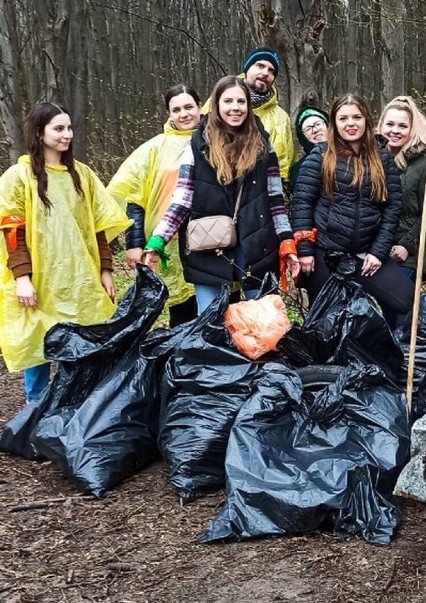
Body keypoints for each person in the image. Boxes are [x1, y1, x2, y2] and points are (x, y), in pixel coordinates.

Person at [0, 102, 132, 403]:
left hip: (79, 279)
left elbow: (97, 225)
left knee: (82, 343)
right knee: (38, 343)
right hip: (40, 279)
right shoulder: (18, 177)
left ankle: (75, 411)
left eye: (69, 128)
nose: (67, 134)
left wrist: (106, 270)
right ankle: (37, 413)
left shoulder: (81, 175)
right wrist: (22, 277)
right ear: (39, 132)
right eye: (59, 128)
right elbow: (12, 230)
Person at [143, 76, 298, 312]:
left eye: (241, 101)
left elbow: (275, 201)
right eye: (228, 101)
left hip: (257, 244)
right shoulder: (197, 145)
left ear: (248, 105)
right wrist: (158, 240)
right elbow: (182, 200)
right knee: (211, 323)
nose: (235, 108)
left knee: (265, 326)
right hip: (208, 246)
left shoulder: (263, 146)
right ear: (216, 105)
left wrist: (287, 240)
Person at [290, 93, 413, 328]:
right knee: (325, 322)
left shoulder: (382, 158)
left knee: (406, 300)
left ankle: (391, 355)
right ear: (334, 123)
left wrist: (378, 252)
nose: (350, 124)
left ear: (366, 120)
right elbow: (302, 204)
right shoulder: (319, 156)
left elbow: (392, 208)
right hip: (325, 253)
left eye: (356, 117)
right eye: (343, 118)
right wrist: (305, 249)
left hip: (365, 255)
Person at [108, 84, 201, 327]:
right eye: (177, 109)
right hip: (166, 243)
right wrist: (134, 242)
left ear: (200, 107)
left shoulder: (216, 139)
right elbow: (134, 197)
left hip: (211, 239)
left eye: (189, 107)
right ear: (169, 114)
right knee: (182, 313)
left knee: (216, 309)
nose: (184, 114)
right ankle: (181, 360)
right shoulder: (153, 149)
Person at [204, 47, 296, 184]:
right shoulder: (219, 101)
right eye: (260, 66)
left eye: (271, 71)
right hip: (217, 183)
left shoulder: (281, 118)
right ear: (247, 68)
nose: (265, 73)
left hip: (262, 189)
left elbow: (286, 161)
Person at [378, 95, 426, 281]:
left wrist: (406, 245)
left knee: (398, 307)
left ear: (412, 129)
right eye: (390, 124)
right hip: (375, 252)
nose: (394, 131)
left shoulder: (424, 167)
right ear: (381, 126)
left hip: (407, 257)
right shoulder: (371, 162)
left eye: (402, 126)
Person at [289, 107, 329, 187]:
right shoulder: (300, 169)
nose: (315, 130)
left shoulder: (349, 155)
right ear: (303, 136)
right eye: (308, 129)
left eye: (318, 124)